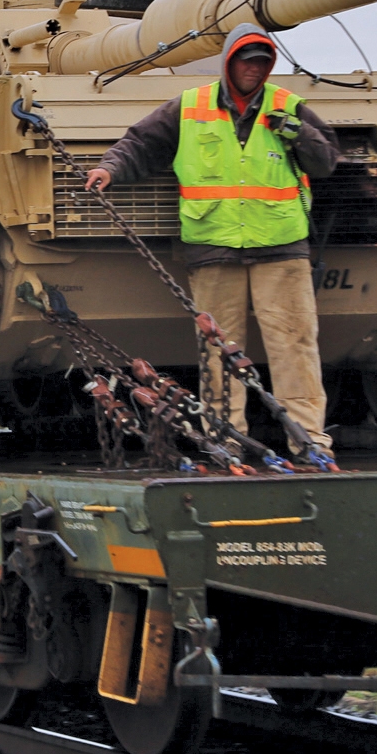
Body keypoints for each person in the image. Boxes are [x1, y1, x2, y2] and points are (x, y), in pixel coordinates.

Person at [82, 23, 341, 459]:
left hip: (280, 245)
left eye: (262, 60)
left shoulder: (288, 107)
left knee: (294, 346)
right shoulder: (189, 107)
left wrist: (295, 130)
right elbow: (141, 144)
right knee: (219, 352)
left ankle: (311, 442)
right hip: (214, 245)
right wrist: (110, 169)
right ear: (229, 62)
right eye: (246, 59)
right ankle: (224, 440)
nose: (254, 68)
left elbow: (327, 160)